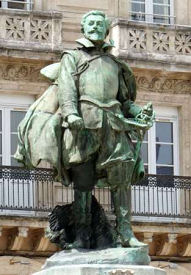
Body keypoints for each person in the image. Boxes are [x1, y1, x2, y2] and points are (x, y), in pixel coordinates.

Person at [15, 10, 154, 249]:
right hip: (83, 125)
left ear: (106, 29)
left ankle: (125, 232)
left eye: (100, 24)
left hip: (113, 123)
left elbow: (124, 100)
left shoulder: (114, 64)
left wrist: (137, 112)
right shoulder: (73, 57)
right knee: (83, 184)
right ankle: (82, 236)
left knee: (121, 179)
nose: (95, 27)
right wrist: (70, 113)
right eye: (90, 23)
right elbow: (67, 89)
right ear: (83, 28)